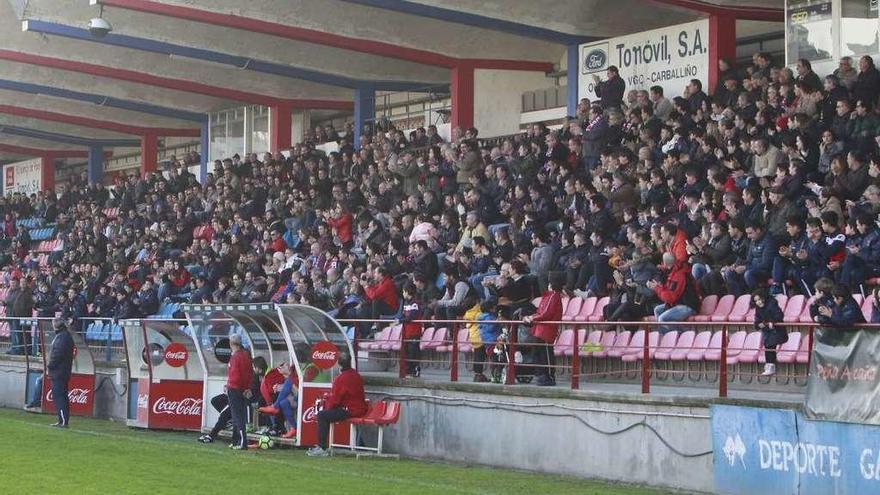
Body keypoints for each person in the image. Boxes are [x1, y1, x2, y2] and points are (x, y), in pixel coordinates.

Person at [307, 352, 367, 457]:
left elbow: (335, 400)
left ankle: (322, 447)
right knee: (326, 414)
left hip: (350, 410)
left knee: (322, 415)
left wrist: (328, 407)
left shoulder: (341, 379)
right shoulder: (357, 376)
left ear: (339, 365)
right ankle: (359, 443)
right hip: (360, 408)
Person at [199, 356, 267, 444]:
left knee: (225, 414)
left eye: (253, 367)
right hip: (237, 397)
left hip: (242, 401)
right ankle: (228, 425)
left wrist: (237, 391)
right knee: (216, 401)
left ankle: (212, 436)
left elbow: (250, 394)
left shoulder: (256, 377)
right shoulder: (251, 375)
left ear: (259, 369)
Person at [522, 273, 563, 386]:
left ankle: (548, 376)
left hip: (546, 330)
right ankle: (541, 375)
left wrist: (531, 317)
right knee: (538, 353)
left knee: (545, 353)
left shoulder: (553, 296)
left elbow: (546, 313)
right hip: (541, 330)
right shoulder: (550, 296)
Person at [649, 252, 700, 334]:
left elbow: (670, 297)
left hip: (688, 305)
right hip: (678, 303)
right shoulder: (674, 272)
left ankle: (684, 335)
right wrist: (658, 286)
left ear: (665, 263)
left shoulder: (679, 275)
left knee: (662, 319)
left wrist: (657, 288)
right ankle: (668, 337)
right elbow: (669, 290)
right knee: (657, 310)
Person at [226, 334, 253, 450]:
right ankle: (236, 440)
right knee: (238, 415)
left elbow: (235, 376)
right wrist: (247, 387)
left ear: (231, 344)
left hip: (235, 388)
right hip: (243, 389)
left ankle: (243, 442)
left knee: (237, 416)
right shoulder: (246, 355)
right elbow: (249, 373)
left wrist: (229, 385)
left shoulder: (235, 357)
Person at [46, 319, 74, 428]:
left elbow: (57, 354)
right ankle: (62, 420)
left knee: (60, 396)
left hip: (59, 372)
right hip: (61, 371)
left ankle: (63, 421)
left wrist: (50, 365)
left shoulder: (62, 337)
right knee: (61, 396)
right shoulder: (63, 336)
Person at [751, 291, 786, 377]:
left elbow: (779, 315)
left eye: (759, 299)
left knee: (770, 344)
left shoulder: (772, 303)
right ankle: (769, 365)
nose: (758, 302)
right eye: (756, 301)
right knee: (768, 345)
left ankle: (770, 366)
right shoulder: (758, 308)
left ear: (764, 297)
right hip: (767, 331)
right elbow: (757, 319)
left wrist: (772, 321)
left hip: (777, 330)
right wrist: (758, 324)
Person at [398, 283, 422, 378]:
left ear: (407, 292)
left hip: (414, 333)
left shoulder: (415, 303)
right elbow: (404, 316)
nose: (403, 294)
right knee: (407, 352)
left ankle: (415, 370)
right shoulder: (406, 303)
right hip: (407, 333)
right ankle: (408, 371)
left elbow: (411, 317)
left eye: (403, 292)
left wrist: (399, 321)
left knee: (414, 353)